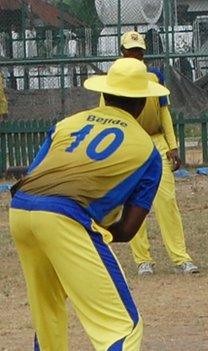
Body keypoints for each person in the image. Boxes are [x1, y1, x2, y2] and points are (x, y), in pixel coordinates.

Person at [9, 58, 167, 350]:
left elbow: (34, 176)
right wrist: (100, 227)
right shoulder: (147, 150)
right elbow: (129, 229)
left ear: (105, 94)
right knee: (122, 328)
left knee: (48, 316)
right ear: (143, 102)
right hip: (65, 218)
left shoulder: (66, 124)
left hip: (20, 210)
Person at [117, 31, 198, 275]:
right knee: (133, 202)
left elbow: (164, 112)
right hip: (129, 143)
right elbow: (106, 115)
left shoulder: (155, 76)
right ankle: (143, 260)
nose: (136, 57)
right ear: (122, 54)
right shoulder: (113, 79)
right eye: (131, 53)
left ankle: (181, 258)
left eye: (139, 53)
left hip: (155, 141)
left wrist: (172, 145)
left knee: (166, 200)